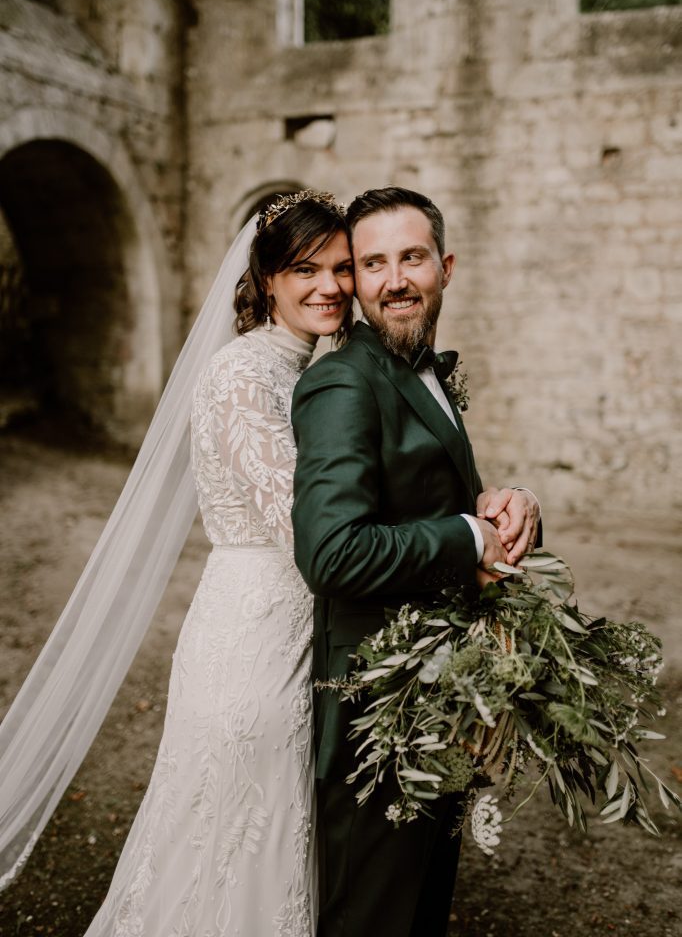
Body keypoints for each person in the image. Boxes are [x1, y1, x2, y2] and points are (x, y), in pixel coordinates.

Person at [0, 190, 354, 935]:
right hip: (254, 635)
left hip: (306, 627)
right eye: (305, 269)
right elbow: (307, 525)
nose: (331, 286)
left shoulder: (314, 368)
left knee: (277, 827)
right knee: (233, 830)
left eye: (342, 268)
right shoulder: (240, 375)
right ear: (265, 281)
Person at [291, 186, 540, 937]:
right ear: (356, 281)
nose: (394, 278)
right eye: (373, 263)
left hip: (443, 694)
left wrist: (511, 504)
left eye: (412, 257)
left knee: (421, 907)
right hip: (377, 707)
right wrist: (467, 538)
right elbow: (331, 552)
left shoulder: (417, 366)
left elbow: (433, 492)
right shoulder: (343, 381)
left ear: (446, 266)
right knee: (375, 917)